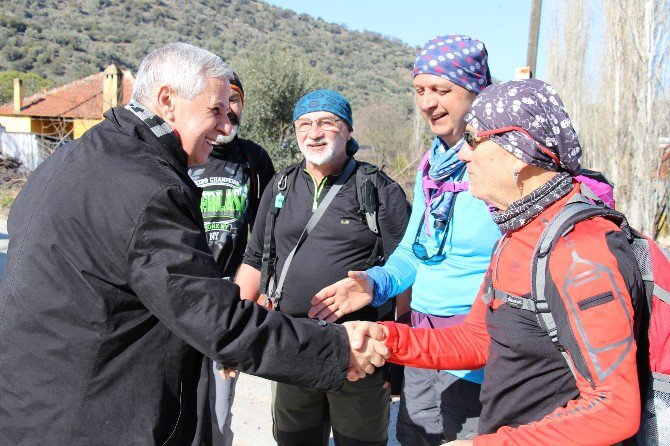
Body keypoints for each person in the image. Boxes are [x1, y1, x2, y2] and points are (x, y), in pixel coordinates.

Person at [0, 43, 387, 445]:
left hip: (32, 409)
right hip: (91, 418)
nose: (225, 126)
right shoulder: (146, 188)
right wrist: (337, 350)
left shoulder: (71, 159)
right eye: (215, 110)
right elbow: (214, 317)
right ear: (168, 100)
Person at [355, 79, 645, 445]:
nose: (463, 155)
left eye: (474, 141)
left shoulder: (581, 253)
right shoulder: (514, 235)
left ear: (519, 154)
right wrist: (389, 339)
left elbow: (613, 408)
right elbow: (479, 340)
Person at [310, 35, 501, 444]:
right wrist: (373, 283)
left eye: (442, 90)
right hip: (421, 335)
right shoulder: (432, 164)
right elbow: (415, 251)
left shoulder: (500, 163)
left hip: (477, 346)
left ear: (477, 90)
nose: (428, 103)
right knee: (414, 435)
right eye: (420, 90)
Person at [235, 89, 411, 446]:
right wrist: (231, 328)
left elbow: (406, 271)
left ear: (347, 130)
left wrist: (399, 353)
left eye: (326, 123)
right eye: (304, 124)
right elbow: (255, 259)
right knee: (294, 439)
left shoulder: (378, 190)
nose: (313, 133)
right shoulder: (280, 184)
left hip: (358, 351)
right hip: (291, 344)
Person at [188, 71, 275, 446]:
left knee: (220, 408)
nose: (229, 110)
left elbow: (268, 232)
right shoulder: (183, 153)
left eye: (235, 100)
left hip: (229, 297)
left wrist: (260, 292)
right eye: (220, 102)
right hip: (181, 290)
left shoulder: (254, 159)